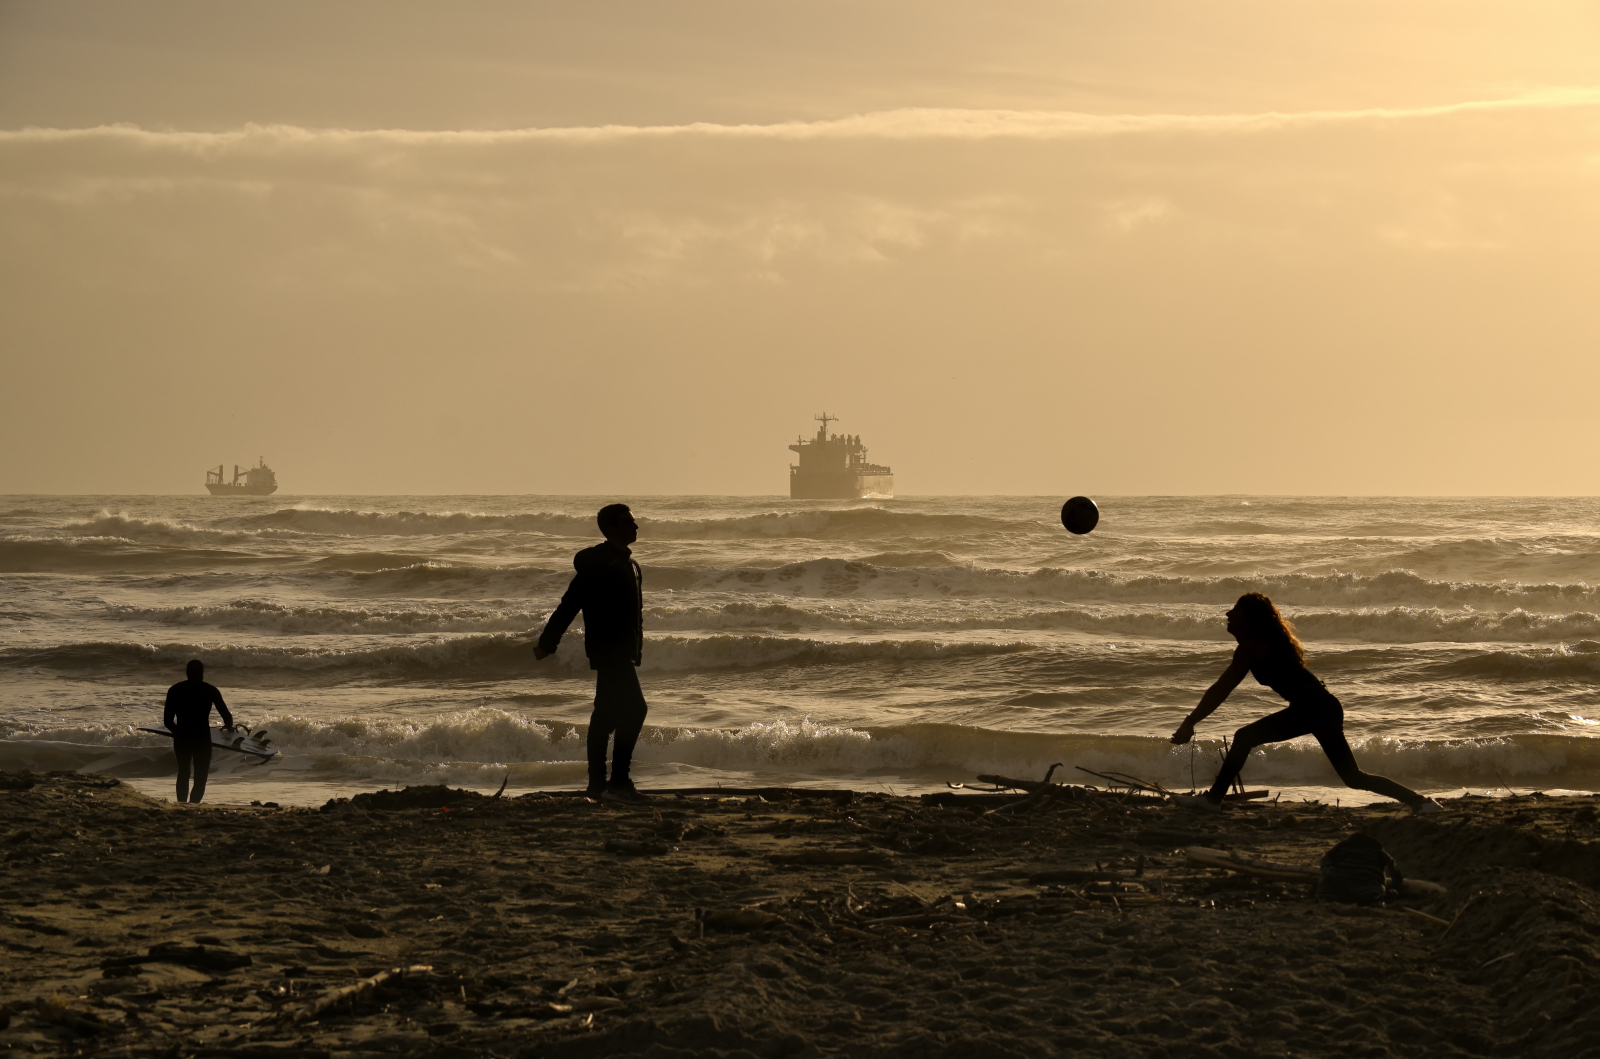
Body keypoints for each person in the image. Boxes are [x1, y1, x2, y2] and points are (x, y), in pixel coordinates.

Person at [1170, 592, 1440, 815]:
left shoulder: (1252, 648)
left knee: (1244, 737)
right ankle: (1420, 802)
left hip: (1316, 709)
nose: (1228, 615)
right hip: (1319, 708)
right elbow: (1224, 688)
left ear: (1250, 620)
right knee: (1353, 777)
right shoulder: (1259, 644)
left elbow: (1221, 689)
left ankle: (1212, 801)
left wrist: (1191, 721)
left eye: (1235, 610)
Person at [533, 503, 650, 804]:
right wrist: (548, 642)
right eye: (629, 522)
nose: (636, 527)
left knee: (604, 717)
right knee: (635, 710)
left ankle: (597, 787)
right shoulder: (600, 565)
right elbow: (569, 604)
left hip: (619, 651)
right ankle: (619, 783)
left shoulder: (625, 562)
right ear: (612, 529)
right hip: (611, 652)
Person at [164, 659, 233, 804]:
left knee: (183, 772)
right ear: (202, 673)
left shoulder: (175, 690)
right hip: (202, 737)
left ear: (187, 673)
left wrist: (179, 733)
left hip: (182, 737)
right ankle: (194, 805)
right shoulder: (210, 690)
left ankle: (182, 804)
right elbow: (227, 716)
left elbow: (167, 721)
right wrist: (227, 727)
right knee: (200, 777)